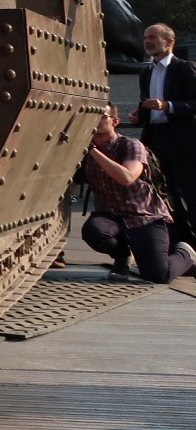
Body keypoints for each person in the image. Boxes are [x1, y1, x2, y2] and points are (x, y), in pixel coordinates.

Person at [80, 109, 196, 284]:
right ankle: (122, 255)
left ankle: (186, 253)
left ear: (115, 121)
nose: (96, 120)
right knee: (93, 231)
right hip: (110, 216)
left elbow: (126, 177)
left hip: (143, 217)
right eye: (92, 116)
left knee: (159, 275)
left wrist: (94, 152)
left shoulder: (131, 145)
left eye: (102, 116)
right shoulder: (83, 151)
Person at [127, 22, 196, 243]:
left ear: (169, 42)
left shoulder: (184, 68)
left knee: (189, 191)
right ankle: (182, 244)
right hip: (156, 139)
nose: (147, 41)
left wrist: (168, 106)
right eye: (146, 38)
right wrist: (140, 116)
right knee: (164, 195)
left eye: (153, 37)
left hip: (182, 140)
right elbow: (147, 104)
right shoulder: (145, 72)